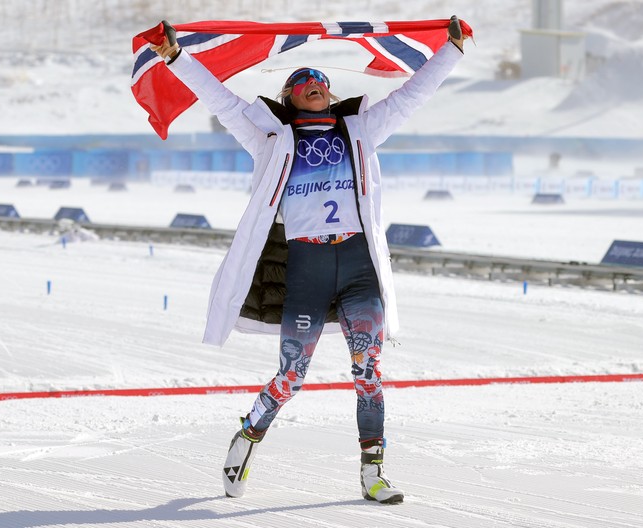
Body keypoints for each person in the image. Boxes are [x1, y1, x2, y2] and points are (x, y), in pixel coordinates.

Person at [150, 17, 466, 504]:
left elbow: (411, 96)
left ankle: (373, 473)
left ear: (329, 92)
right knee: (292, 375)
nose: (312, 84)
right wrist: (176, 58)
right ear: (290, 97)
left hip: (358, 267)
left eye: (319, 80)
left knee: (368, 370)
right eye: (300, 82)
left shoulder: (361, 129)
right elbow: (221, 101)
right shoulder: (270, 139)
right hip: (307, 270)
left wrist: (451, 50)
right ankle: (249, 434)